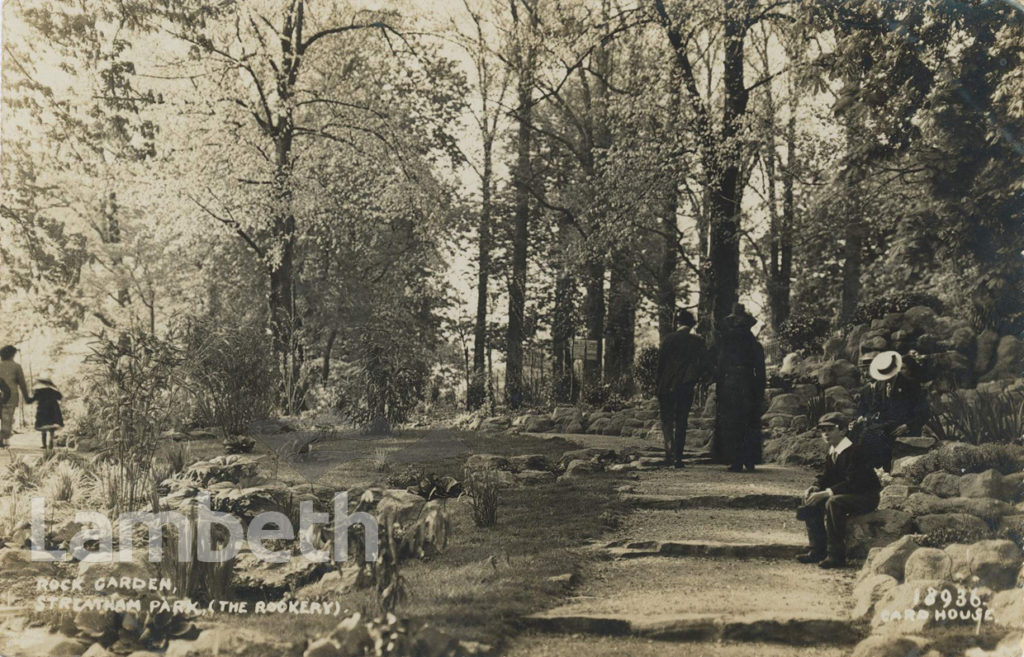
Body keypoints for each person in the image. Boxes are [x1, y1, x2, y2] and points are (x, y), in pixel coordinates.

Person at [796, 412, 881, 569]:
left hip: (865, 496)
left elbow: (855, 482)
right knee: (812, 497)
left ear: (842, 430)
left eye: (830, 429)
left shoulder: (855, 450)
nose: (825, 433)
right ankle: (817, 550)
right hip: (848, 493)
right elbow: (826, 476)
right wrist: (816, 486)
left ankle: (836, 555)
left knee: (833, 502)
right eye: (822, 430)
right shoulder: (833, 451)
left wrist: (827, 492)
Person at [852, 350, 930, 472]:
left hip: (903, 426)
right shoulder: (880, 385)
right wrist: (866, 418)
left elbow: (923, 411)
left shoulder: (910, 384)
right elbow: (875, 408)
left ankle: (879, 469)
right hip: (885, 425)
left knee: (871, 434)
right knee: (861, 431)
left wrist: (908, 425)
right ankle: (867, 470)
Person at [712, 303, 766, 472]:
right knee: (749, 421)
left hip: (731, 384)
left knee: (733, 422)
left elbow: (720, 368)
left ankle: (736, 460)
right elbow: (761, 371)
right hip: (749, 383)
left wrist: (719, 388)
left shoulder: (727, 344)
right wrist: (760, 390)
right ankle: (750, 460)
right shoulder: (754, 344)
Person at [656, 308, 710, 468]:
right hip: (685, 386)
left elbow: (660, 366)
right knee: (681, 421)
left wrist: (657, 385)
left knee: (666, 420)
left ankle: (669, 453)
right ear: (691, 324)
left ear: (677, 323)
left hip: (666, 386)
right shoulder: (697, 341)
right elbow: (704, 364)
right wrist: (699, 378)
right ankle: (678, 457)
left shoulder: (667, 340)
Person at [0, 345, 31, 449]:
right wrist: (27, 398)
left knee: (5, 419)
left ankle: (1, 440)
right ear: (13, 355)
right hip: (10, 398)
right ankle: (2, 438)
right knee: (7, 420)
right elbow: (22, 384)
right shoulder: (16, 367)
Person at [32, 375, 64, 450]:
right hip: (53, 411)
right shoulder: (54, 391)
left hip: (43, 412)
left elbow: (33, 399)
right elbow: (60, 397)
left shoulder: (39, 391)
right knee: (51, 429)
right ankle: (51, 444)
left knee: (43, 428)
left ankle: (44, 445)